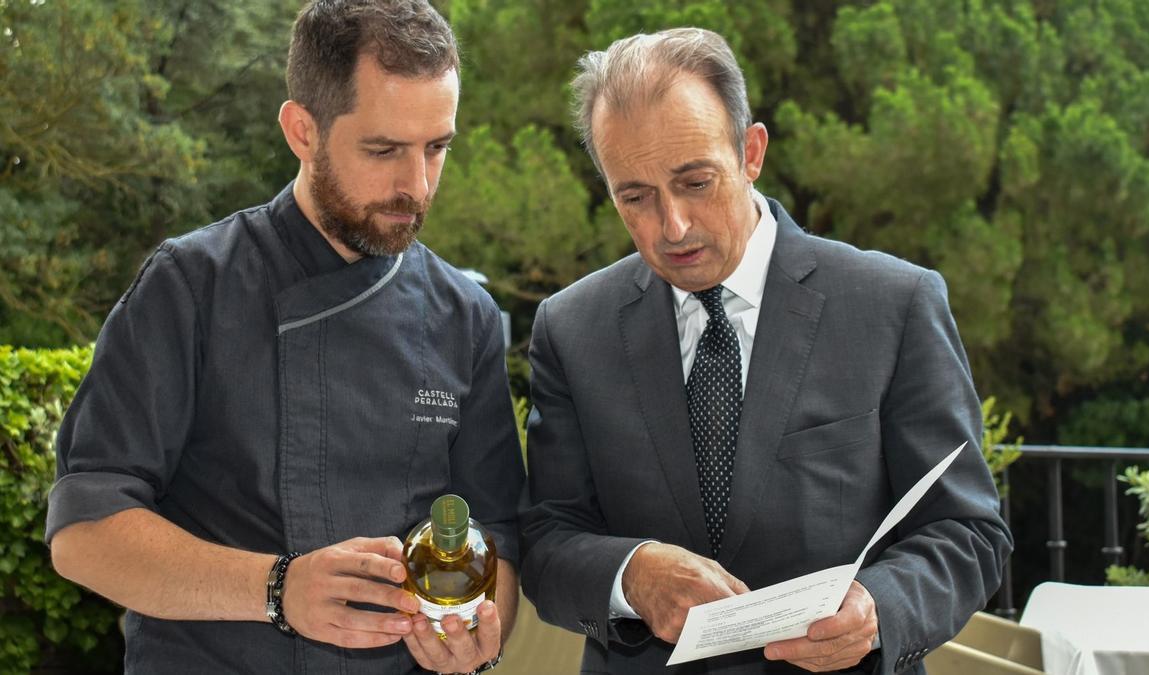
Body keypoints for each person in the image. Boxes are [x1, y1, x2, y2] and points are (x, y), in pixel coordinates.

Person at [45, 2, 523, 673]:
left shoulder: (465, 314)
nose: (416, 186)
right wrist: (276, 588)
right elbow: (85, 533)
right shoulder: (190, 286)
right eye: (384, 150)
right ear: (302, 130)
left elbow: (496, 533)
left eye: (436, 147)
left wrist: (474, 637)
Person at [518, 27, 1013, 675]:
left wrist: (878, 608)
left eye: (696, 182)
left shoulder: (894, 304)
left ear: (751, 152)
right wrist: (629, 573)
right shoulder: (571, 326)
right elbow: (546, 538)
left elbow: (969, 531)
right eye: (634, 196)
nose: (673, 226)